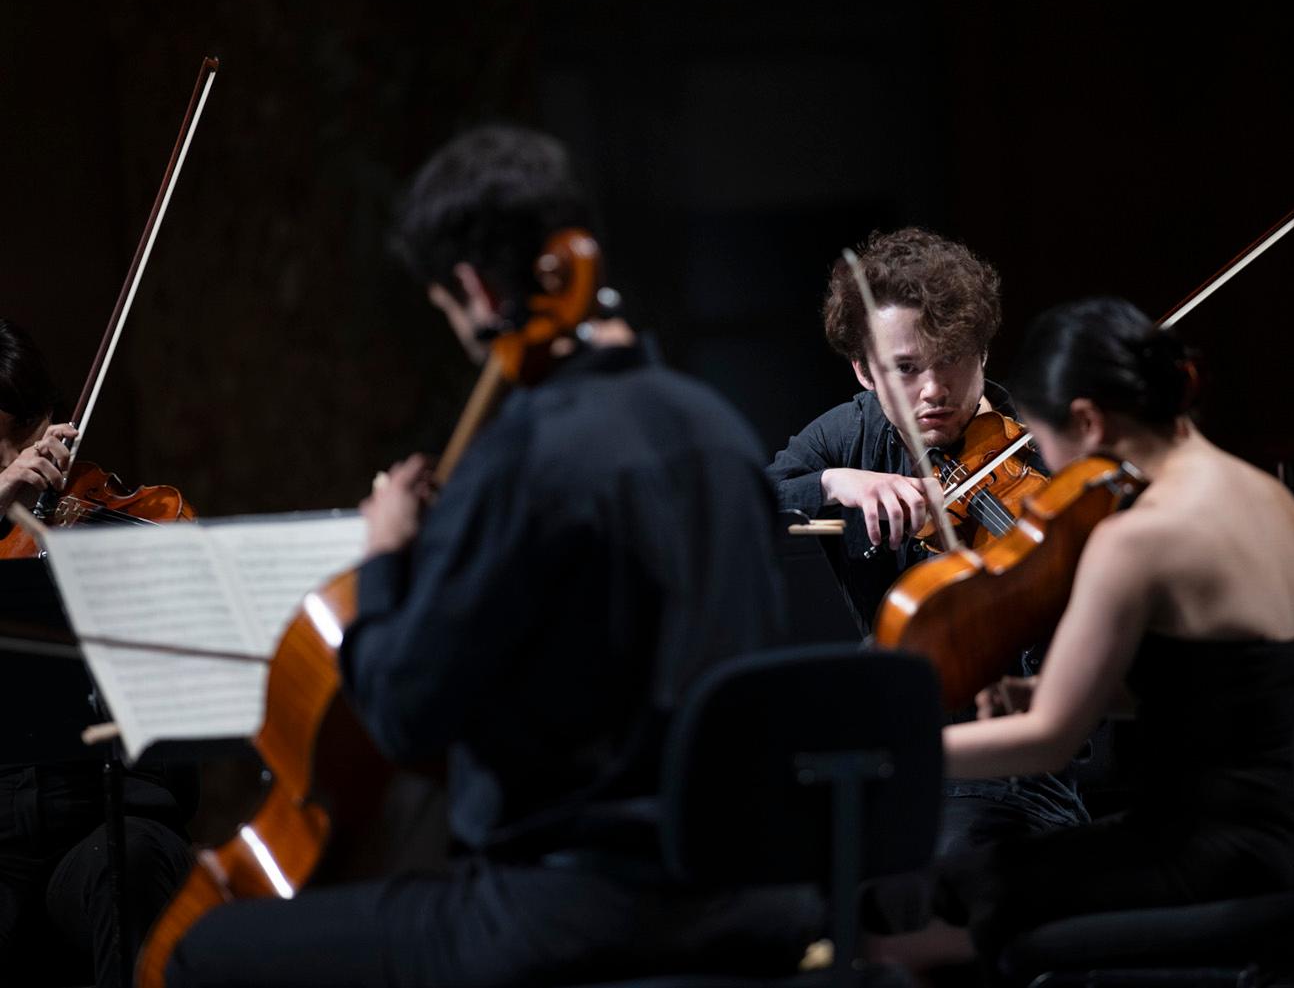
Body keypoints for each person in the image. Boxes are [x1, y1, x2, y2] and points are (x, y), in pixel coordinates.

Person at [165, 123, 815, 988]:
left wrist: (390, 551)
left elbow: (404, 714)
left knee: (201, 953)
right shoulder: (719, 429)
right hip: (747, 890)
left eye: (444, 308)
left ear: (471, 287)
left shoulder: (525, 454)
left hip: (572, 906)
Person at [877, 296, 1294, 969]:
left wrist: (889, 748)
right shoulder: (1270, 494)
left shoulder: (1138, 536)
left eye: (1043, 440)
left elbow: (1049, 742)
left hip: (1199, 850)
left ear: (1086, 422)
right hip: (1285, 837)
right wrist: (1042, 688)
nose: (1047, 464)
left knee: (915, 906)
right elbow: (1222, 688)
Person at [765, 229, 1089, 929]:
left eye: (952, 362)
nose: (934, 390)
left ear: (983, 354)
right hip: (880, 755)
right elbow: (750, 497)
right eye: (906, 368)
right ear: (864, 371)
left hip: (1009, 769)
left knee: (927, 885)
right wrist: (831, 481)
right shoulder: (848, 435)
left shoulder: (1041, 455)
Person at [0, 318, 194, 988]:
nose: (24, 468)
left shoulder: (131, 518)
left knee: (129, 863)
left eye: (28, 439)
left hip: (105, 815)